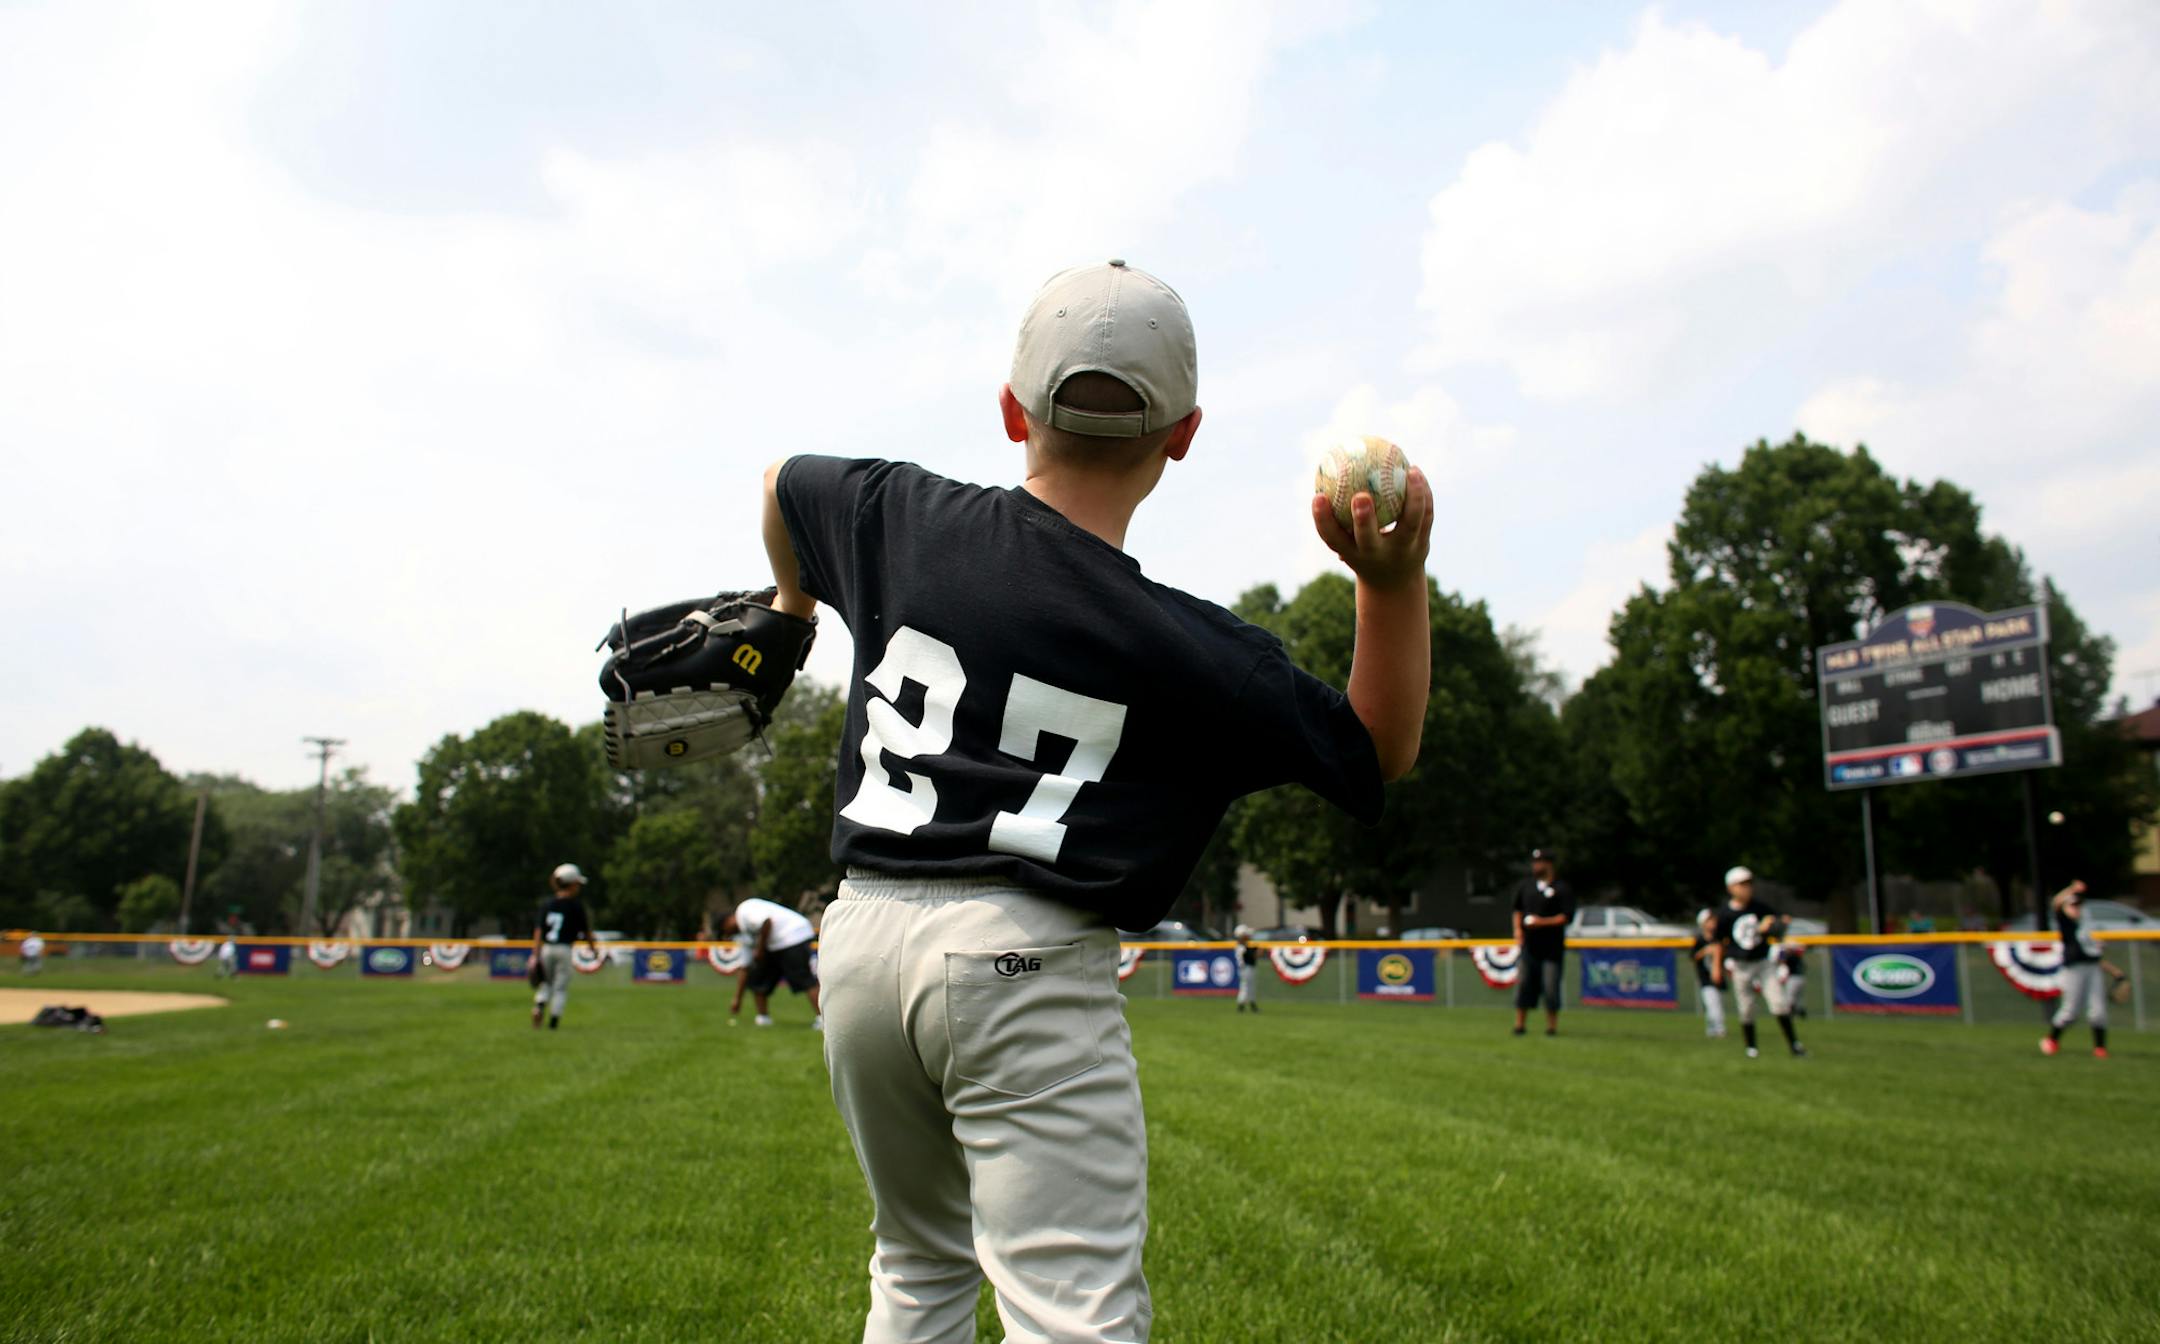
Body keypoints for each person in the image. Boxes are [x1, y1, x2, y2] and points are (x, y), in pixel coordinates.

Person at [762, 258, 1430, 1342]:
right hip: (1020, 963)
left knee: (917, 1270)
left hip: (861, 940)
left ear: (1012, 410)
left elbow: (783, 484)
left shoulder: (896, 513)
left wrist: (793, 612)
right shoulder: (1197, 651)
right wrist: (1389, 583)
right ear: (1185, 435)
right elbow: (1379, 747)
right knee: (1071, 1313)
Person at [1710, 866, 1804, 1059]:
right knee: (1746, 1008)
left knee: (1779, 1003)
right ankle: (1751, 1048)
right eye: (1742, 884)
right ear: (1731, 888)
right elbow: (1719, 943)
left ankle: (1794, 1045)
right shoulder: (1725, 914)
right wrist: (1716, 968)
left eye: (1749, 884)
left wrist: (1776, 924)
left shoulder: (1759, 908)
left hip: (1763, 962)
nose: (1747, 888)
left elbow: (1779, 922)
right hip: (1740, 965)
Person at [2042, 879, 2126, 1058]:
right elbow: (2056, 902)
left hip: (2092, 968)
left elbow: (2095, 956)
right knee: (2070, 1010)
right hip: (2074, 970)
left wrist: (2114, 971)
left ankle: (2100, 1048)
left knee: (2098, 1011)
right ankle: (2052, 1040)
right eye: (2072, 906)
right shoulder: (2066, 924)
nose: (2075, 908)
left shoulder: (2085, 928)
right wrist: (2071, 889)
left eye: (2078, 906)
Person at [721, 896, 822, 1028]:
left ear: (727, 921)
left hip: (794, 936)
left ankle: (823, 1020)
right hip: (774, 944)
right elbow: (744, 967)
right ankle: (763, 1018)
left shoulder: (744, 910)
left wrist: (761, 950)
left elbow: (767, 922)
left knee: (805, 979)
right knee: (758, 978)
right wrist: (737, 999)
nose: (728, 934)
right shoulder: (743, 935)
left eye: (725, 930)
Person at [1509, 846, 1575, 1037]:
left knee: (1551, 987)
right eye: (1535, 862)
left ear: (1549, 864)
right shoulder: (1526, 886)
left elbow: (1566, 916)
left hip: (1551, 948)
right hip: (1529, 947)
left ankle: (1551, 1027)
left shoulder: (1561, 888)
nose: (1536, 866)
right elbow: (1517, 909)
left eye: (1540, 862)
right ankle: (1520, 1025)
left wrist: (1542, 922)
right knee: (1523, 985)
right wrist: (1517, 930)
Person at [531, 863, 603, 1030]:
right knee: (560, 987)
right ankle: (553, 1022)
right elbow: (586, 932)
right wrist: (593, 949)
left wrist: (535, 954)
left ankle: (539, 1005)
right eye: (577, 883)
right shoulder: (576, 906)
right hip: (564, 949)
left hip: (547, 948)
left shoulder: (547, 904)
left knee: (545, 983)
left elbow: (538, 930)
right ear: (571, 884)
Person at [1689, 909, 1725, 1039]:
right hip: (1705, 977)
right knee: (1711, 1002)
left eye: (1714, 920)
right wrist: (1705, 951)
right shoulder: (1699, 940)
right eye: (1709, 920)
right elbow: (1693, 957)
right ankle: (1718, 1029)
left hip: (1718, 976)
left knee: (1717, 1002)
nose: (1712, 923)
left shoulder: (1719, 939)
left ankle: (1712, 1029)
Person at [1233, 925, 1259, 1014]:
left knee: (1251, 987)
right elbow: (1251, 955)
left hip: (1248, 968)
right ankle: (1241, 1005)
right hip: (1245, 968)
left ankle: (1252, 1004)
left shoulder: (1245, 946)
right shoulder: (1241, 947)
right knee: (1245, 987)